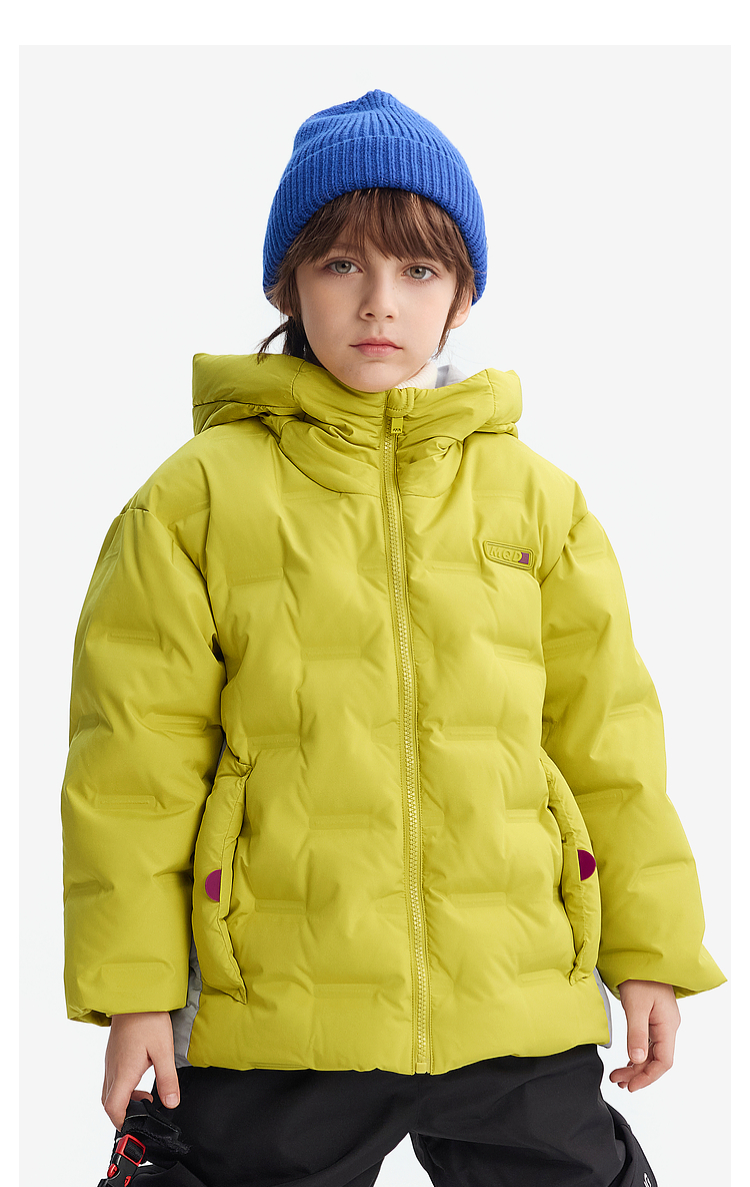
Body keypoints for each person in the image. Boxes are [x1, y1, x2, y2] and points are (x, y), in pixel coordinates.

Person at [61, 89, 725, 1187]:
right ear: (288, 284)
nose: (380, 301)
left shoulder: (538, 500)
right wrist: (134, 987)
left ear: (463, 295)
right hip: (279, 1008)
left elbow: (607, 740)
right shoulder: (194, 501)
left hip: (513, 996)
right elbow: (133, 763)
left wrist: (649, 951)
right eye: (342, 265)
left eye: (418, 269)